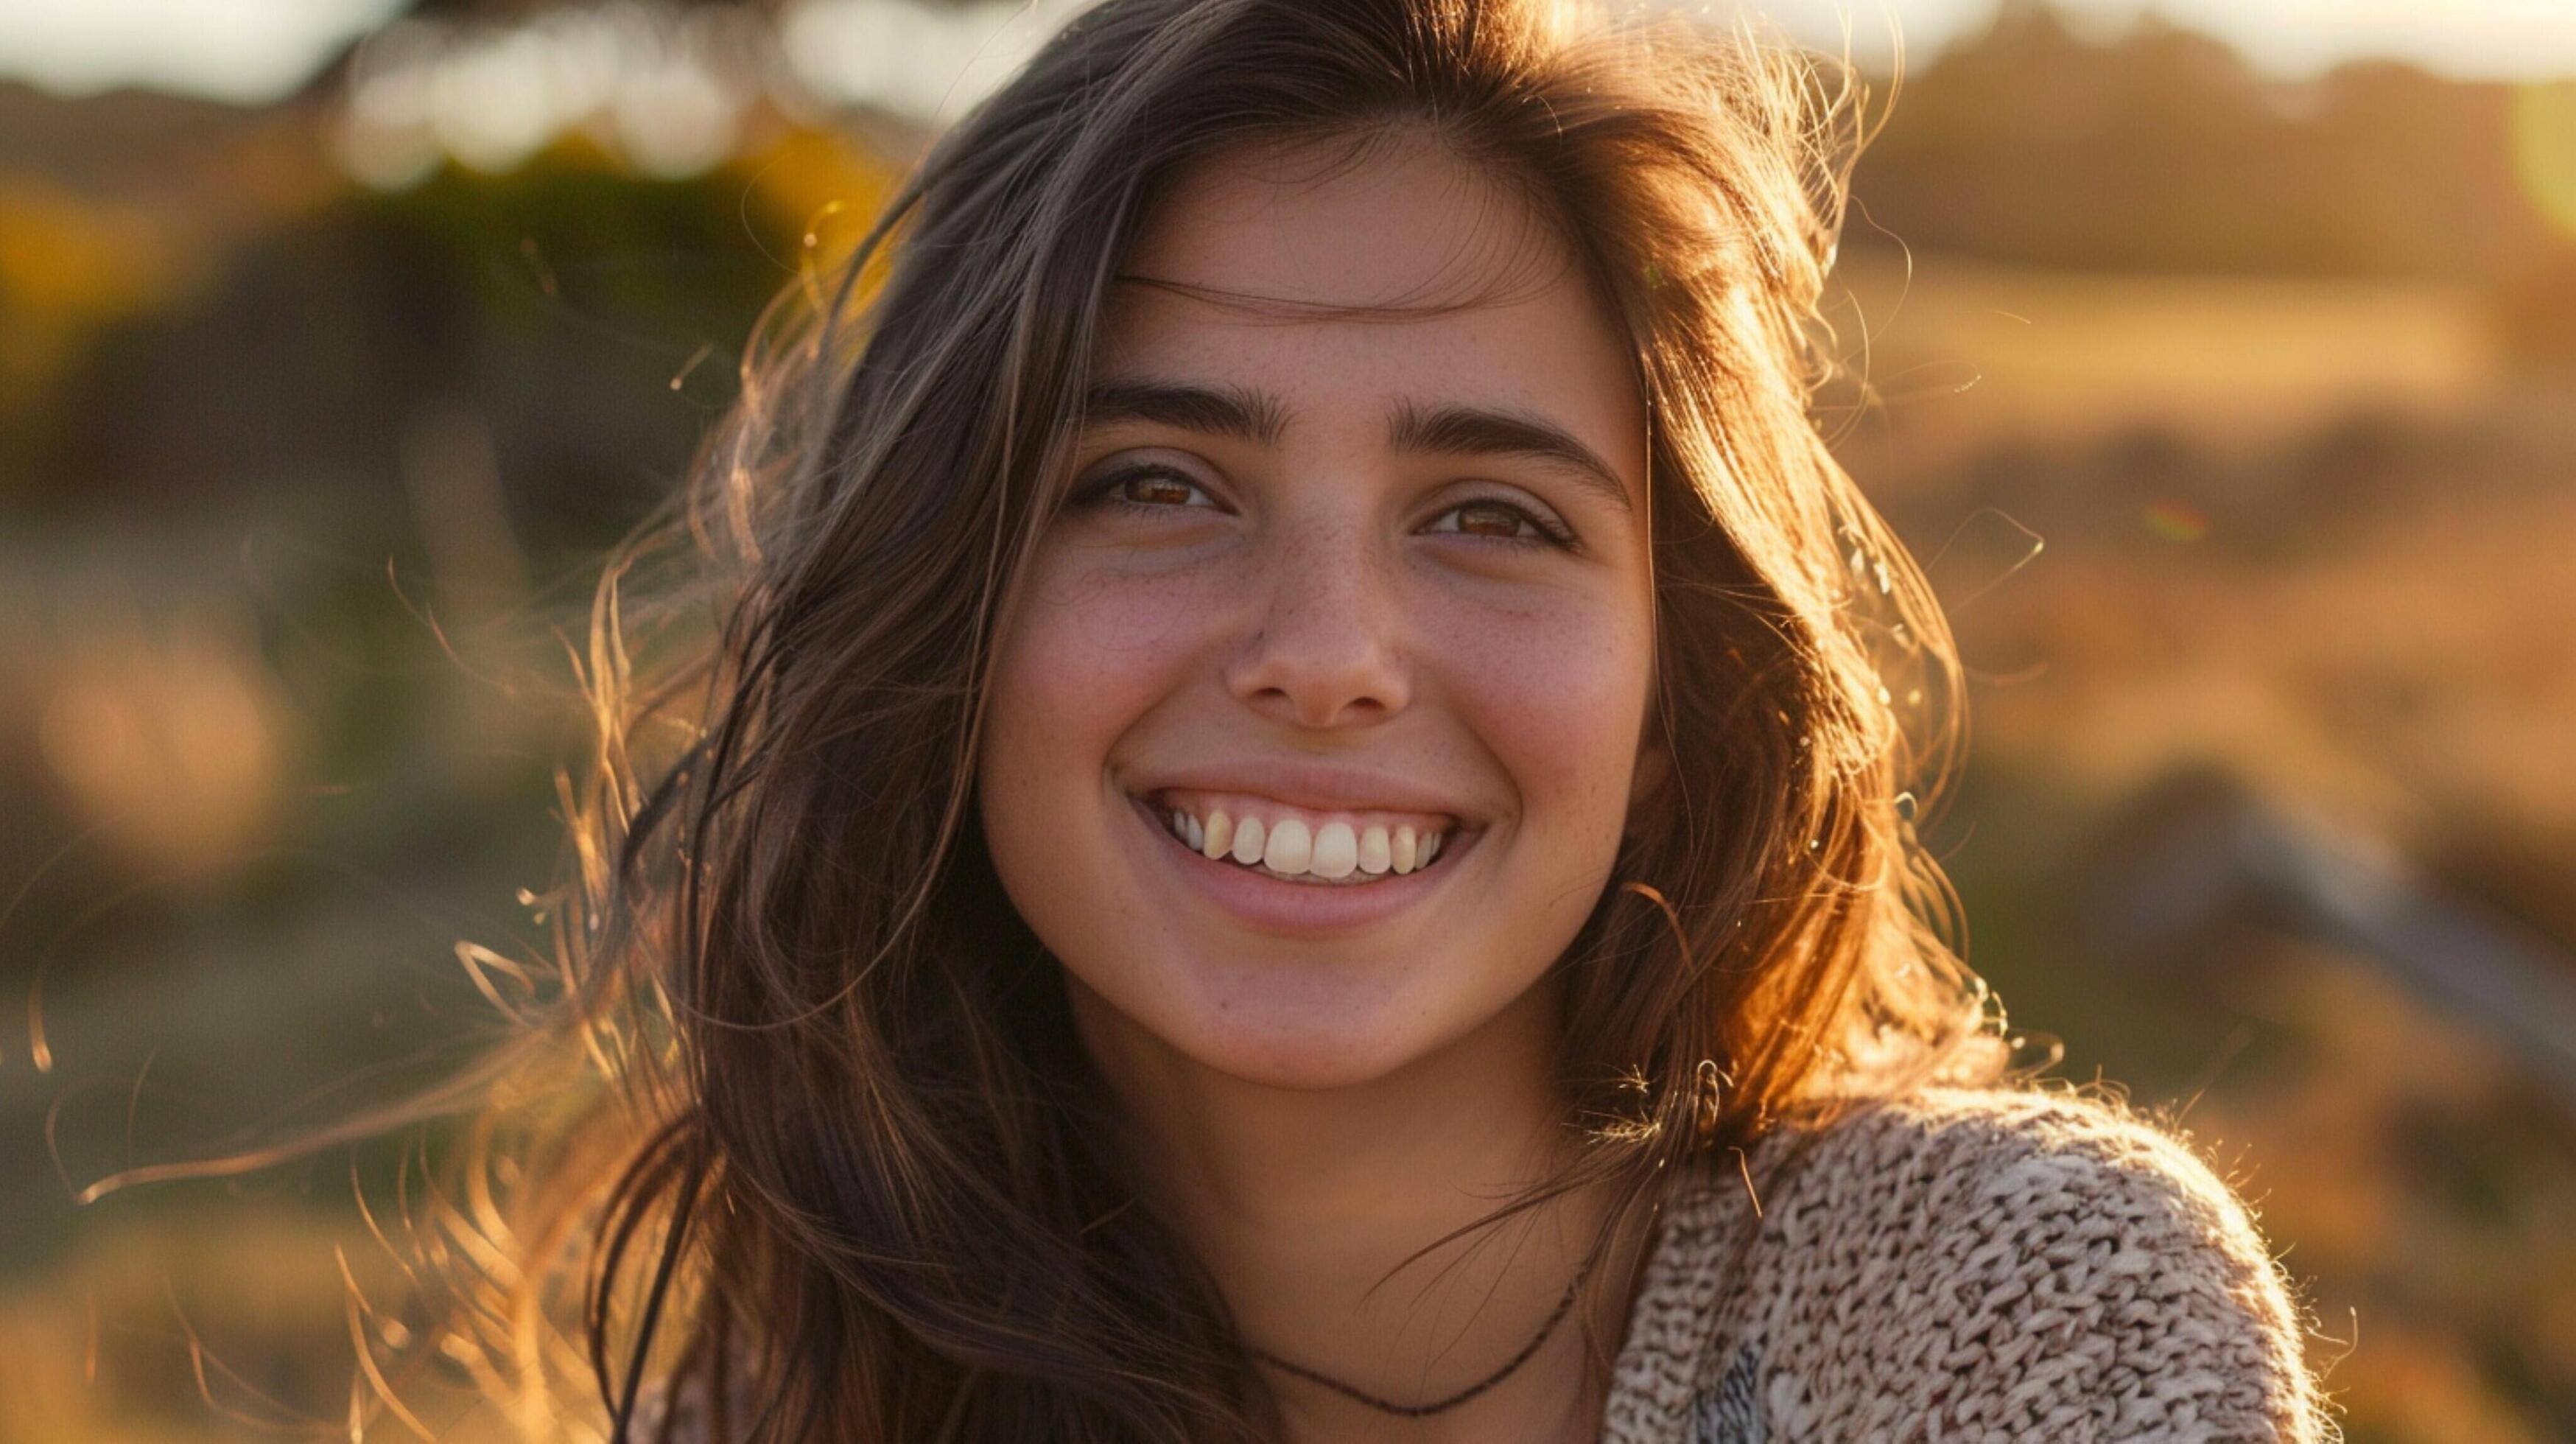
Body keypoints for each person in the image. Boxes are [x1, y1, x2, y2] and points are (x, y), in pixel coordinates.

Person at [452, 0, 2331, 1438]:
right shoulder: (789, 1403)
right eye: (1157, 484)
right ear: (946, 616)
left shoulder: (2012, 1325)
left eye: (1494, 516)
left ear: (1674, 699)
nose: (1328, 653)